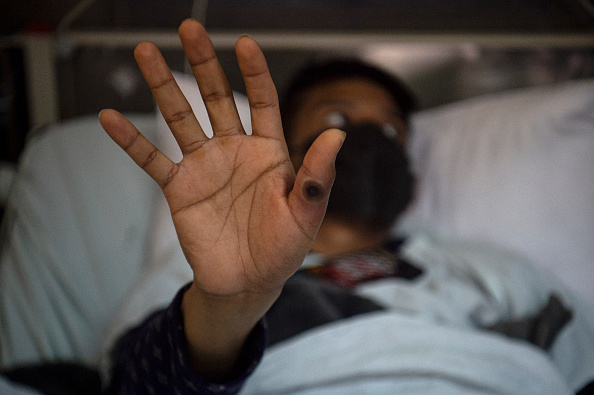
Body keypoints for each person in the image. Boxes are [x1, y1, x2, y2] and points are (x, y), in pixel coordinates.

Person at [100, 19, 593, 394]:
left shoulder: (490, 271)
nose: (366, 139)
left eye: (389, 129)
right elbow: (135, 384)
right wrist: (228, 308)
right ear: (285, 152)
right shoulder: (206, 274)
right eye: (336, 117)